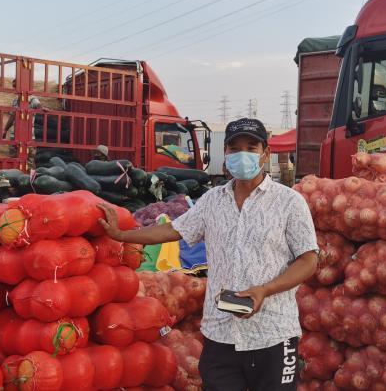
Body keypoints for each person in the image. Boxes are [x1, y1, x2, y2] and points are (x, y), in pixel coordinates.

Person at [99, 118, 318, 390]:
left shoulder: (289, 202)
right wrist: (123, 235)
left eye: (251, 147)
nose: (243, 154)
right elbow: (174, 231)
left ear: (266, 153)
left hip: (273, 334)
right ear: (225, 154)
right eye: (235, 148)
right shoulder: (213, 200)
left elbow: (309, 259)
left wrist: (266, 289)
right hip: (220, 334)